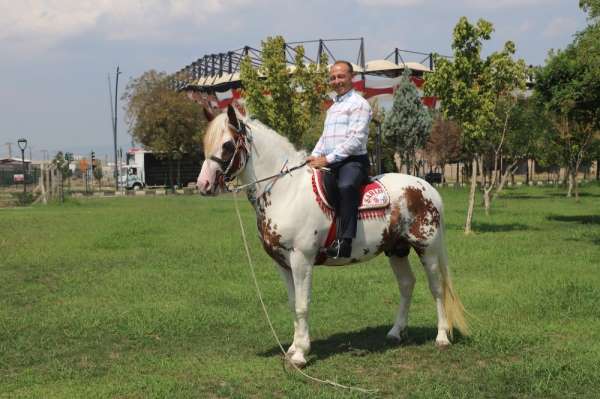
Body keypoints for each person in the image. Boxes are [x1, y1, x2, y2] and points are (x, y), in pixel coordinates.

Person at [307, 60, 372, 259]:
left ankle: (345, 242)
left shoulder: (360, 104)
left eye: (341, 76)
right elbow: (325, 137)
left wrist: (327, 159)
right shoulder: (333, 107)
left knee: (345, 186)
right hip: (331, 161)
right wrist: (313, 155)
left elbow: (355, 140)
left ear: (352, 77)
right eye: (333, 77)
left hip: (353, 162)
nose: (336, 81)